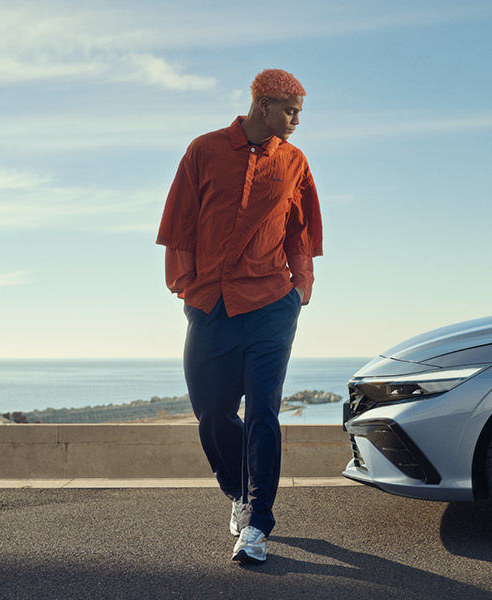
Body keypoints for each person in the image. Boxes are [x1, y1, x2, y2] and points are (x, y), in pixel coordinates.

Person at [156, 68, 322, 564]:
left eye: (299, 112)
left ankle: (257, 524)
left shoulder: (294, 161)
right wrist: (187, 286)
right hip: (211, 305)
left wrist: (300, 289)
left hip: (272, 304)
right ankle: (237, 492)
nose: (295, 121)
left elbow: (301, 231)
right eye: (289, 110)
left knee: (264, 413)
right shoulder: (204, 150)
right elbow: (180, 221)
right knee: (211, 413)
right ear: (262, 105)